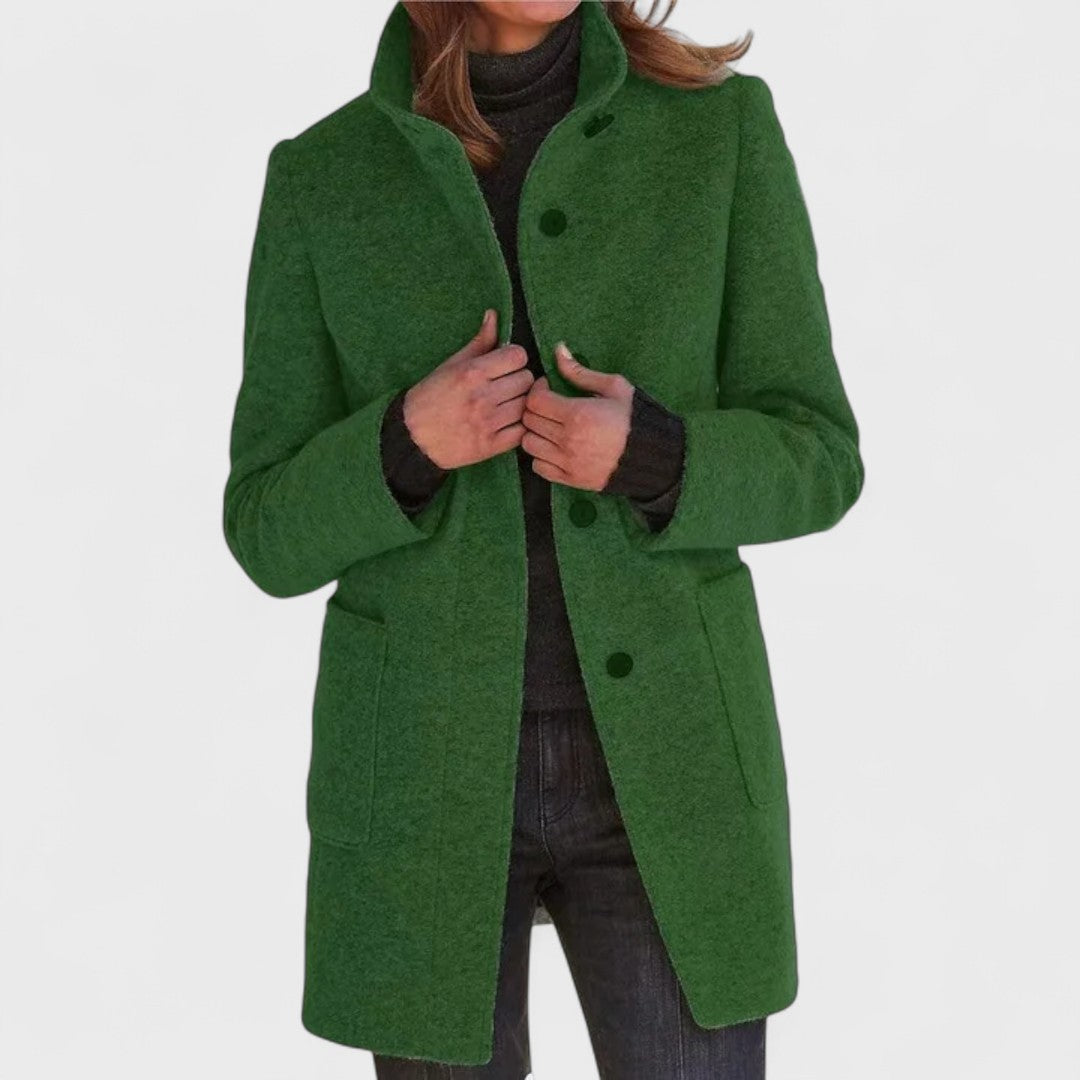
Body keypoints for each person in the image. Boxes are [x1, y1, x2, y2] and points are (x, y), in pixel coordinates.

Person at [222, 2, 865, 1077]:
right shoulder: (324, 176)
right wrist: (401, 444)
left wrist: (658, 455)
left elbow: (822, 456)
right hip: (420, 772)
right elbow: (263, 527)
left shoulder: (719, 131)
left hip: (671, 759)